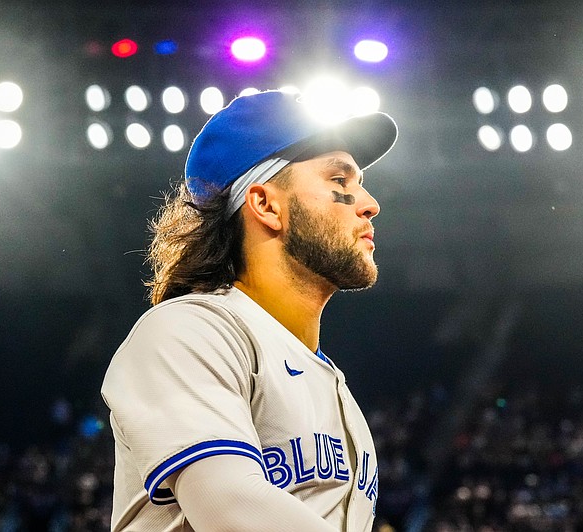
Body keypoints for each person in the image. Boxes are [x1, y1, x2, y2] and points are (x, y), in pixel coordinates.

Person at [101, 90, 398, 531]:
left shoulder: (332, 383)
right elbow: (232, 511)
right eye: (340, 182)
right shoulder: (187, 331)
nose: (370, 204)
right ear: (264, 205)